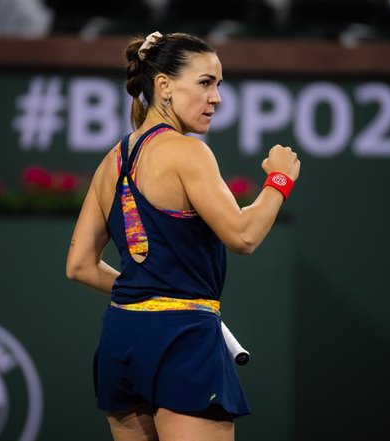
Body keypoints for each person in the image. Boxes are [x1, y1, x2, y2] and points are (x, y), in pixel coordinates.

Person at [66, 31, 300, 441]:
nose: (217, 98)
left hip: (121, 342)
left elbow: (80, 266)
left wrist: (145, 289)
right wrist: (279, 180)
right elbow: (243, 236)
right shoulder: (188, 152)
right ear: (164, 86)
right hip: (183, 341)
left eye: (219, 85)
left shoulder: (113, 160)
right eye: (206, 83)